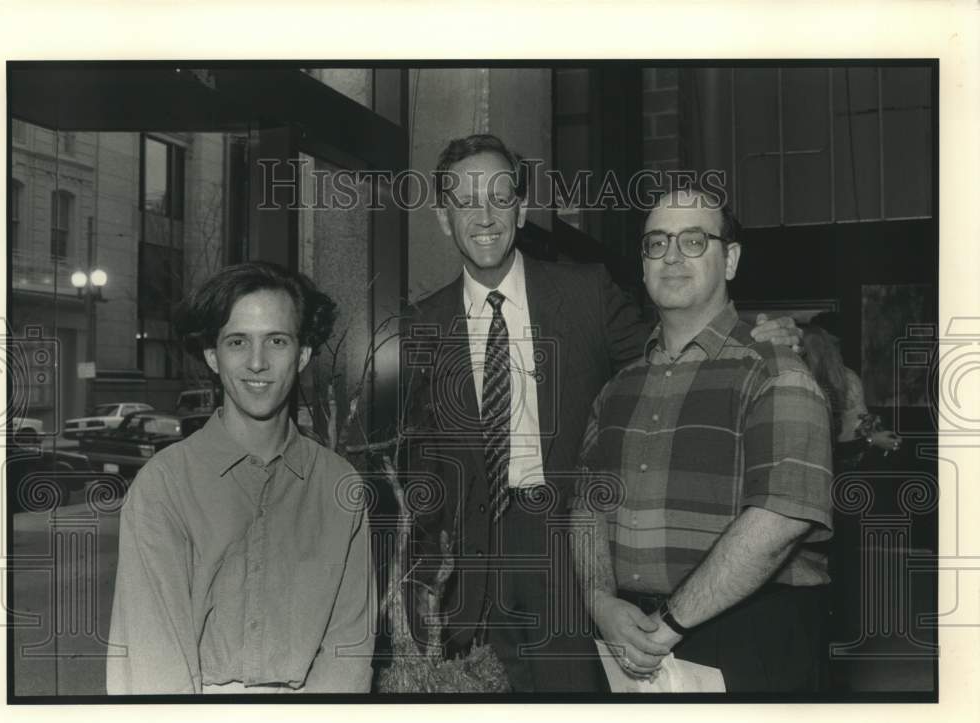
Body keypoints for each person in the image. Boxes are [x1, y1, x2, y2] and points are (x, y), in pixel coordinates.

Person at [403, 134, 801, 692]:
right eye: (466, 201)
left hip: (570, 548)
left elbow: (674, 354)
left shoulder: (585, 291)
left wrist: (758, 333)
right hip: (468, 571)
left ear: (521, 208)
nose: (485, 215)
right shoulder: (421, 324)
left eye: (500, 196)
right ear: (445, 219)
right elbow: (418, 466)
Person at [572, 188, 834, 693]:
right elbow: (586, 506)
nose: (671, 256)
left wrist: (669, 624)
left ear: (730, 259)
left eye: (694, 241)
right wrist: (600, 601)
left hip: (748, 637)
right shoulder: (616, 388)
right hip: (627, 634)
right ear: (642, 265)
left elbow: (781, 519)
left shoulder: (775, 372)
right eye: (656, 243)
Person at [107, 261, 376, 694]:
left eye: (277, 341)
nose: (256, 362)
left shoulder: (338, 486)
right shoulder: (164, 486)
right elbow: (152, 661)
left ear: (303, 353)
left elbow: (350, 649)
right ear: (213, 356)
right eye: (237, 342)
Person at [802, 319, 901, 469]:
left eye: (835, 344)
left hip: (845, 469)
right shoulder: (798, 380)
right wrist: (872, 440)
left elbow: (858, 428)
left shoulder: (848, 378)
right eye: (831, 344)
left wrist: (875, 432)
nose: (834, 350)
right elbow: (822, 447)